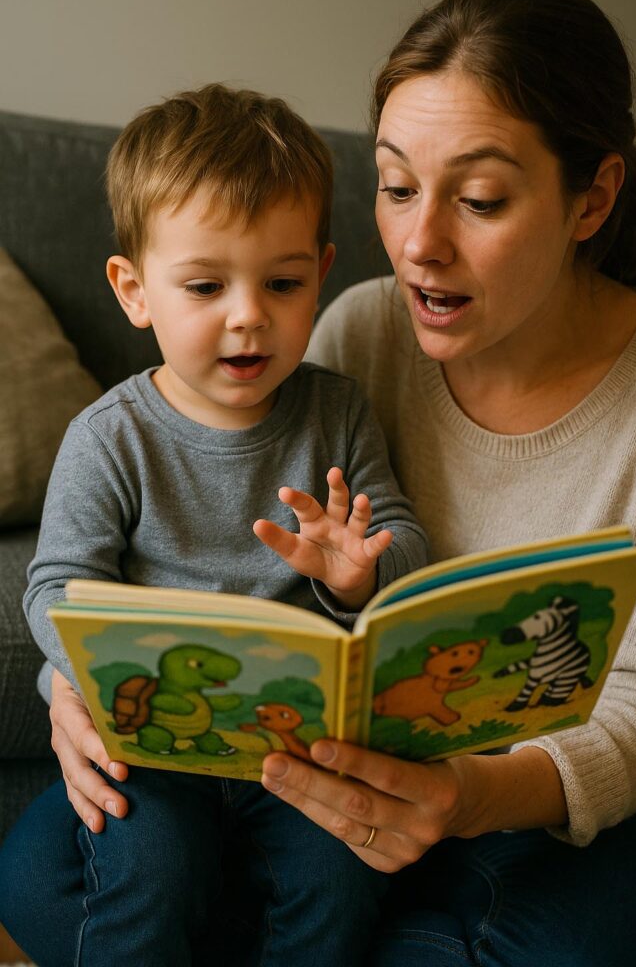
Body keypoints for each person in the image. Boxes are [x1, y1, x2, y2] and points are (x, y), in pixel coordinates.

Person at [2, 0, 636, 967]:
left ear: (593, 198)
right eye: (396, 186)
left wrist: (468, 793)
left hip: (539, 822)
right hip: (311, 781)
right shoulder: (363, 330)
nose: (414, 245)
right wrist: (81, 692)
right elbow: (85, 579)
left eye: (480, 198)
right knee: (55, 869)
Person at [0, 83, 429, 966]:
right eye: (205, 285)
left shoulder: (337, 411)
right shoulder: (109, 435)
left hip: (302, 744)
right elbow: (52, 585)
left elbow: (401, 542)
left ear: (322, 270)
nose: (249, 315)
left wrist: (357, 570)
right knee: (150, 863)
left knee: (340, 874)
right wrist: (101, 657)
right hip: (159, 737)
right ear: (134, 290)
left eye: (283, 282)